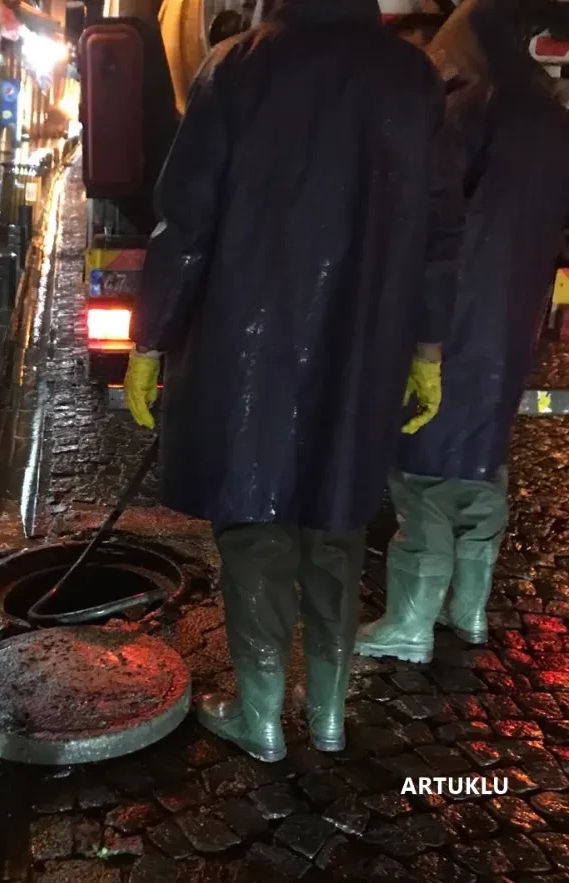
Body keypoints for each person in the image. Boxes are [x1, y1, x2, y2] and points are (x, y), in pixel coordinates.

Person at [124, 0, 462, 761]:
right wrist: (428, 349)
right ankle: (332, 714)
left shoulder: (236, 67)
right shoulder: (413, 80)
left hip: (245, 351)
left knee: (253, 530)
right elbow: (442, 232)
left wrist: (150, 340)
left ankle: (264, 713)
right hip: (363, 346)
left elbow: (184, 223)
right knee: (337, 525)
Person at [356, 0, 569, 663]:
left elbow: (430, 217)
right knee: (482, 466)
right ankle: (469, 611)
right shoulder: (553, 117)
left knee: (424, 474)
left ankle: (411, 624)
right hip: (513, 321)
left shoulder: (469, 108)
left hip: (454, 316)